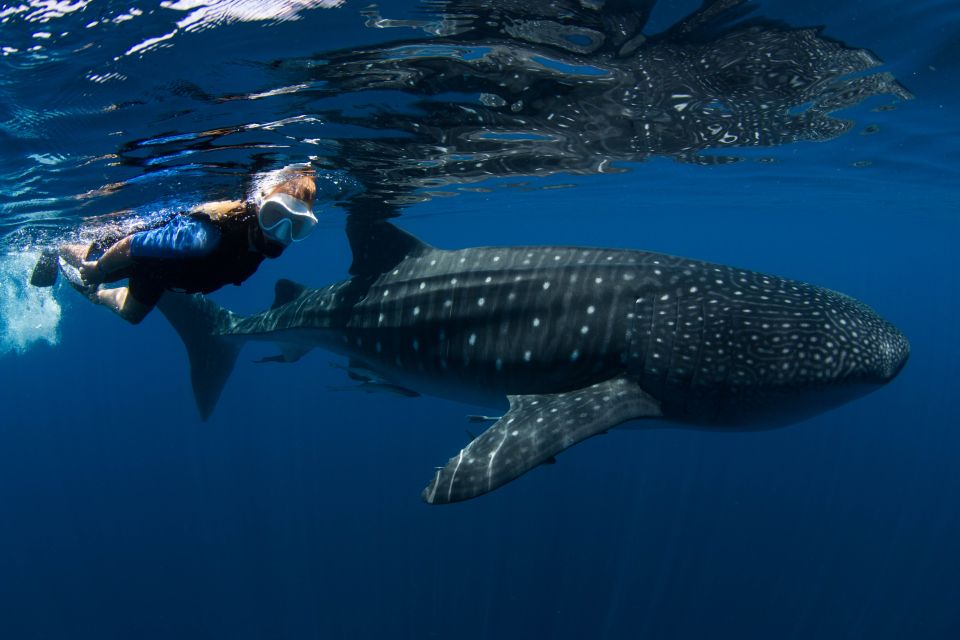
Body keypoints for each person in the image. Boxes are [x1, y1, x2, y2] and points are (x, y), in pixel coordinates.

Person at [56, 174, 317, 324]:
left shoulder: (256, 244)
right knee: (85, 264)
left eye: (296, 226)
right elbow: (131, 245)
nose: (279, 233)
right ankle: (57, 248)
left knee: (132, 314)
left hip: (165, 275)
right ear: (259, 205)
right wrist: (100, 270)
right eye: (274, 216)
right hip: (140, 256)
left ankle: (94, 295)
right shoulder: (203, 237)